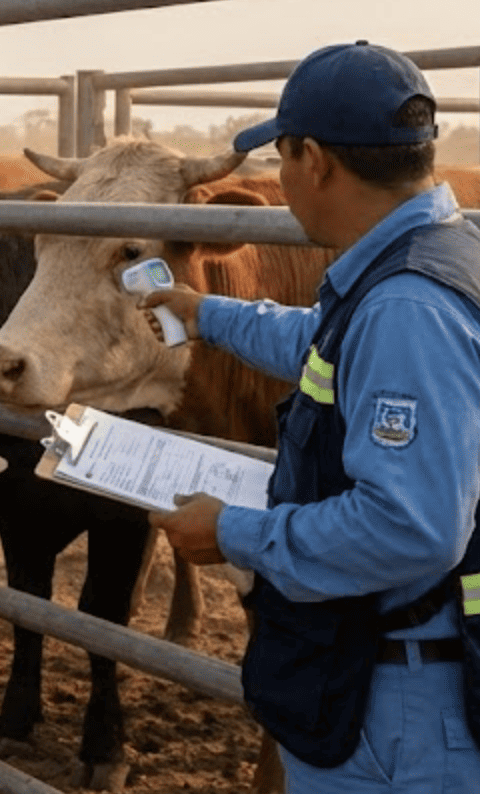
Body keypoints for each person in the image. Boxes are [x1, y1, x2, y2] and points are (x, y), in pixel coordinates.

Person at [145, 41, 480, 791]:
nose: (278, 180)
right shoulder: (443, 252)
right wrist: (210, 314)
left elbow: (410, 525)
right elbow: (330, 345)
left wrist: (232, 532)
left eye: (281, 158)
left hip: (403, 702)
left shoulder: (405, 308)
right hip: (410, 666)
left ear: (316, 160)